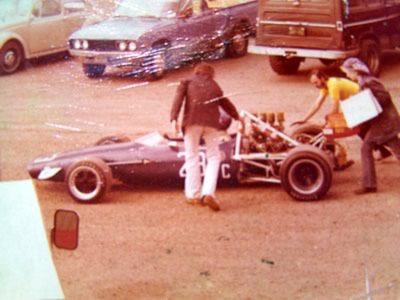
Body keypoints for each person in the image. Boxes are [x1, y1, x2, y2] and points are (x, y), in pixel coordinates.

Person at [170, 63, 239, 211]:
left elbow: (178, 100)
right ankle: (208, 193)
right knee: (213, 157)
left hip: (191, 123)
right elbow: (226, 103)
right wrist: (238, 117)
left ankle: (193, 195)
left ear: (197, 72)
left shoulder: (187, 81)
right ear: (210, 74)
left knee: (192, 156)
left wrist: (173, 119)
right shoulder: (214, 85)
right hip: (211, 125)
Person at [341, 57, 400, 195]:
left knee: (366, 147)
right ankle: (369, 184)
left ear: (354, 71)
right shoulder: (365, 81)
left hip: (385, 122)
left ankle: (369, 185)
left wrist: (365, 102)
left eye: (347, 72)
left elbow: (384, 98)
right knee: (397, 150)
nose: (347, 76)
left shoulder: (368, 82)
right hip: (387, 121)